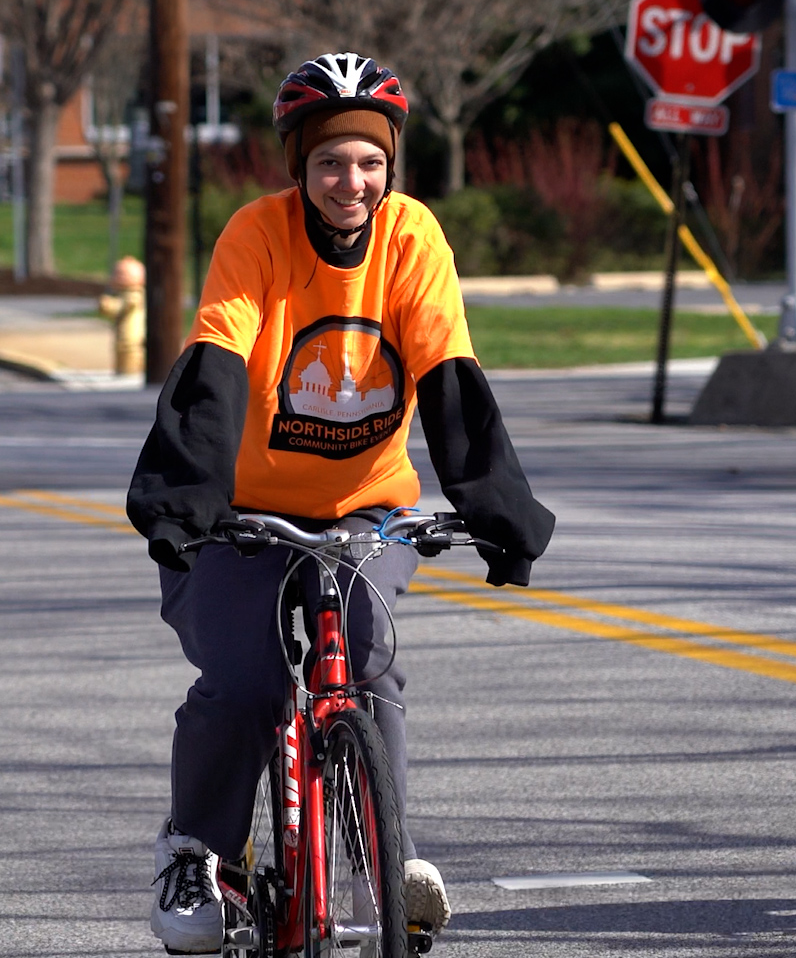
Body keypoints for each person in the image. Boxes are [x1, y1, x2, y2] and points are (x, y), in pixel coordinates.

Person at [126, 52, 556, 954]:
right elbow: (215, 362)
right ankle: (194, 852)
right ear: (300, 166)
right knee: (243, 684)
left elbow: (446, 369)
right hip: (243, 513)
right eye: (329, 162)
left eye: (368, 160)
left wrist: (496, 508)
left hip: (366, 513)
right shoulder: (256, 234)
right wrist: (183, 499)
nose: (350, 180)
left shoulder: (413, 238)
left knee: (366, 661)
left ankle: (389, 858)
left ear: (390, 163)